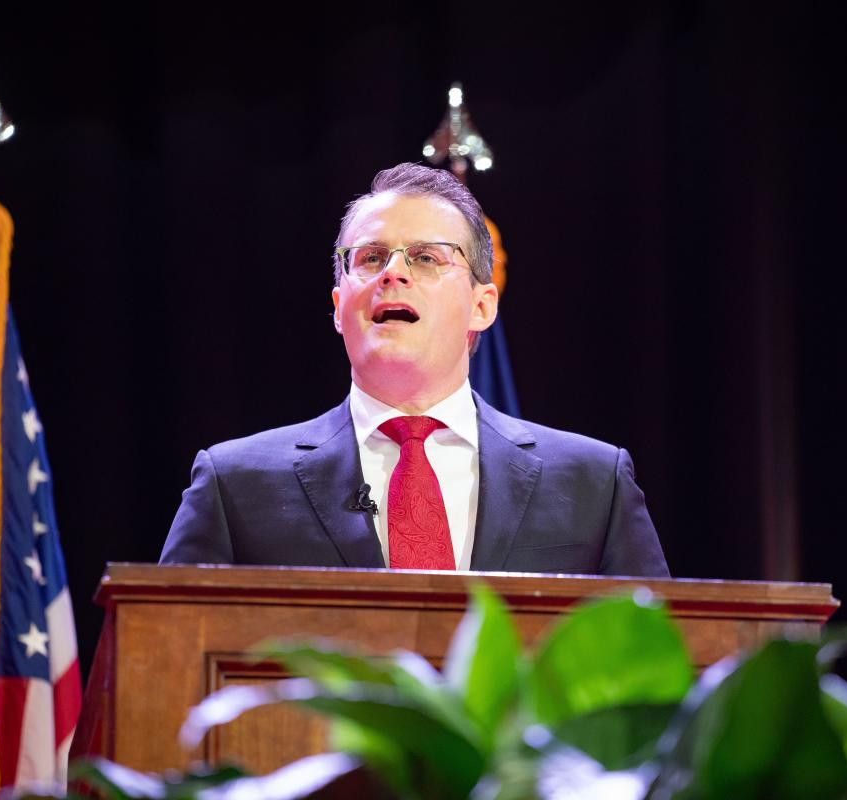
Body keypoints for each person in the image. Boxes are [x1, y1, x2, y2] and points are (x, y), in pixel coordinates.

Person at [160, 163, 668, 576]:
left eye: (426, 257)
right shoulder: (234, 484)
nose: (393, 272)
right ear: (339, 307)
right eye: (370, 257)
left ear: (482, 306)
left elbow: (659, 676)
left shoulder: (594, 484)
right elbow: (166, 666)